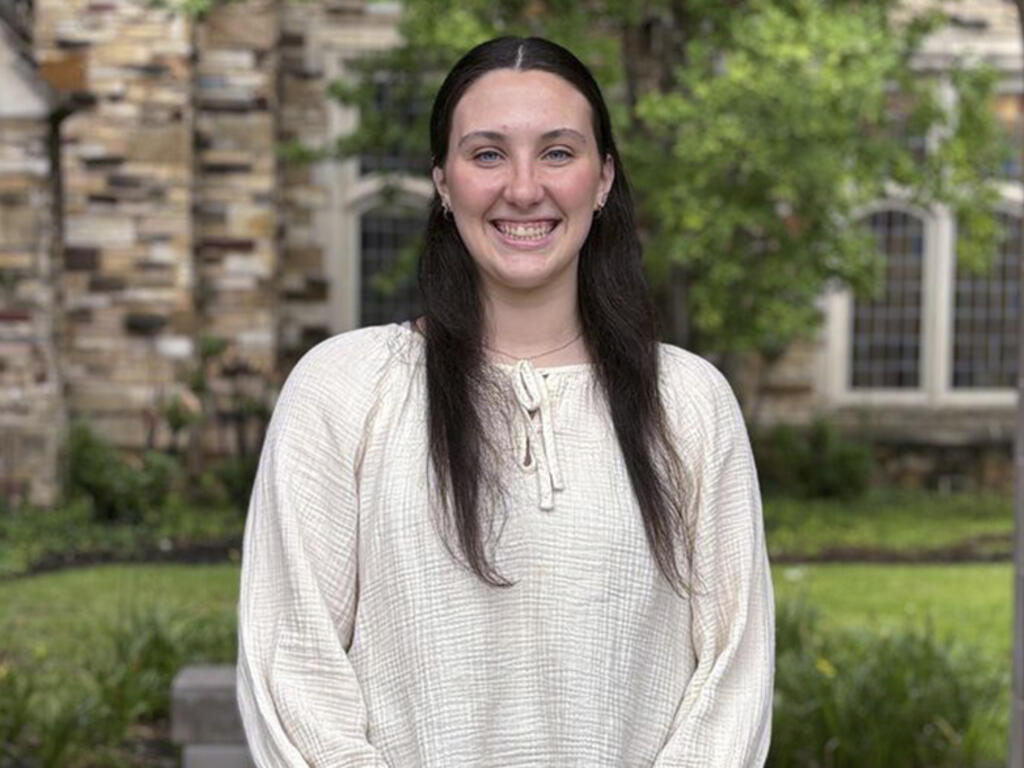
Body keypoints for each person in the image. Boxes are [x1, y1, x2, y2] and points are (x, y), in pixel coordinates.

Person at [236, 36, 774, 767]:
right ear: (443, 182)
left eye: (557, 152)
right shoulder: (345, 389)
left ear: (604, 177)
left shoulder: (687, 404)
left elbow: (732, 679)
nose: (523, 188)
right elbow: (291, 667)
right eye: (487, 154)